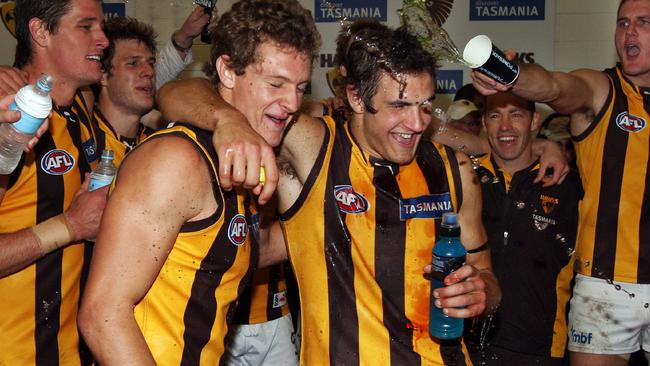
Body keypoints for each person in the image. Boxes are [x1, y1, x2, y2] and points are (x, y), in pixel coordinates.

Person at [158, 19, 501, 365]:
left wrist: (482, 291)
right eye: (398, 106)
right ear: (355, 97)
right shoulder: (315, 148)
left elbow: (486, 275)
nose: (416, 124)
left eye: (424, 105)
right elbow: (171, 94)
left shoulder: (453, 170)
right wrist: (226, 120)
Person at [77, 1, 320, 364]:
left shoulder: (241, 157)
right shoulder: (176, 161)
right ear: (227, 71)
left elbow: (232, 250)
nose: (291, 102)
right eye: (275, 84)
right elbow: (102, 315)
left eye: (300, 87)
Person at [471, 1, 650, 364]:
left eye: (643, 22)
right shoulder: (603, 91)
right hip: (607, 285)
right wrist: (513, 75)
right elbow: (554, 86)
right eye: (622, 23)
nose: (628, 32)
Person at [0, 0, 109, 364]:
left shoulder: (79, 107)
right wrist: (71, 226)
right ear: (40, 31)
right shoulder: (11, 118)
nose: (104, 39)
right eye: (86, 27)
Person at [465, 91, 582, 365]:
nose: (505, 126)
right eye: (495, 116)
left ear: (534, 121)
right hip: (466, 346)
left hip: (540, 349)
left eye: (516, 115)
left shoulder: (568, 185)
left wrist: (547, 147)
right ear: (484, 123)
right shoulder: (465, 177)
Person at [89, 16, 157, 165]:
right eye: (133, 63)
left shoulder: (157, 145)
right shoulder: (82, 138)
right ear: (102, 76)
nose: (149, 72)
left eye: (151, 63)